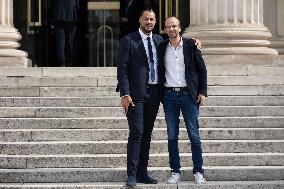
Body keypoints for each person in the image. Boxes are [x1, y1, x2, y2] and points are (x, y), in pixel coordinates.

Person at [158, 17, 207, 184]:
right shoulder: (161, 46)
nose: (171, 29)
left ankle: (198, 171)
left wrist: (202, 92)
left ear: (180, 28)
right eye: (168, 27)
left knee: (194, 135)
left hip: (189, 95)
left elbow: (202, 70)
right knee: (172, 135)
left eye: (174, 26)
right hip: (169, 96)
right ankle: (175, 171)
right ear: (164, 30)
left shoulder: (191, 45)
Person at [117, 9, 163, 187]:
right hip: (135, 95)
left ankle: (143, 173)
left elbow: (178, 46)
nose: (149, 22)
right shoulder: (128, 40)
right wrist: (125, 93)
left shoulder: (159, 40)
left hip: (154, 94)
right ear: (140, 20)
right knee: (137, 133)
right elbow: (122, 69)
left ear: (155, 21)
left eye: (152, 19)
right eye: (146, 19)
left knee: (147, 134)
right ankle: (132, 174)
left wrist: (194, 42)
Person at [49, 0, 79, 67]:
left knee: (60, 42)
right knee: (70, 42)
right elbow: (77, 5)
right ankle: (69, 62)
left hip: (59, 16)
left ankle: (62, 63)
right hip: (71, 16)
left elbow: (50, 5)